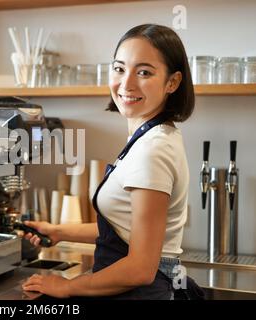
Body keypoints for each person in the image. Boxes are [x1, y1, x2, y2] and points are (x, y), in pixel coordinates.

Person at [22, 24, 203, 300]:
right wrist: (58, 231)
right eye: (119, 69)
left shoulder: (152, 150)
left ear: (172, 82)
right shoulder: (154, 136)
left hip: (143, 290)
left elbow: (140, 268)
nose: (126, 83)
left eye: (144, 72)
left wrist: (66, 286)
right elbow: (130, 226)